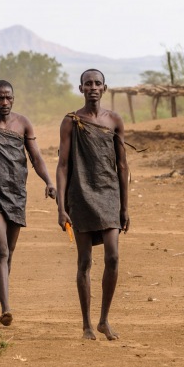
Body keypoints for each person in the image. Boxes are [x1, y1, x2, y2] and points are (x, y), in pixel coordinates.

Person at [0, 80, 57, 326]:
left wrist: (48, 181)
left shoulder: (23, 123)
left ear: (13, 99)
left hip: (16, 195)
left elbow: (35, 157)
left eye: (8, 98)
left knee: (8, 254)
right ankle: (6, 308)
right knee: (1, 250)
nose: (4, 103)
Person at [56, 69, 129, 341]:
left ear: (105, 88)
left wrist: (124, 206)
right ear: (81, 88)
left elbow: (122, 165)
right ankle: (87, 324)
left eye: (97, 83)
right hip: (81, 195)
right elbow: (63, 165)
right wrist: (61, 206)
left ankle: (104, 320)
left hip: (110, 194)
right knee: (84, 261)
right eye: (88, 84)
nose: (93, 87)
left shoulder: (114, 120)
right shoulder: (71, 122)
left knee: (113, 257)